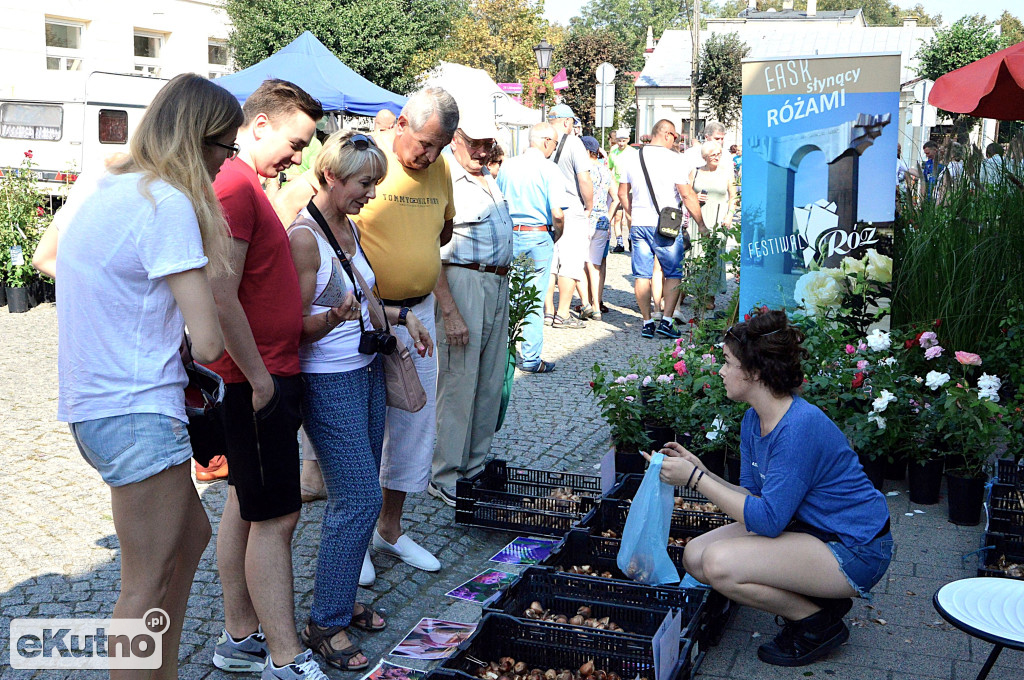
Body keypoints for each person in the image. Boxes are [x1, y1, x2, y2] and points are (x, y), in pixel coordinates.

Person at [49, 73, 238, 680]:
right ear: (199, 140)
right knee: (144, 585)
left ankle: (163, 672)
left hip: (100, 406)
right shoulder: (169, 201)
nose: (227, 162)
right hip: (136, 410)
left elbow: (56, 264)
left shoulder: (108, 185)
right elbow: (208, 339)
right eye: (225, 148)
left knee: (189, 541)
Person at [651, 310, 892, 667]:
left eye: (728, 362)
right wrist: (701, 470)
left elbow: (767, 521)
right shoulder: (754, 418)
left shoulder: (798, 428)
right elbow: (755, 500)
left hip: (854, 547)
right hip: (809, 530)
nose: (720, 370)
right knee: (695, 556)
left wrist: (693, 479)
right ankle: (819, 599)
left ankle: (816, 623)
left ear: (755, 372)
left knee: (718, 564)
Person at [288, 130, 433, 671]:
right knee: (357, 501)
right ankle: (325, 621)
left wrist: (402, 316)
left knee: (362, 489)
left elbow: (366, 294)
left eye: (375, 183)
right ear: (331, 176)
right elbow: (289, 326)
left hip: (367, 369)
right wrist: (333, 318)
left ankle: (342, 598)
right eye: (363, 183)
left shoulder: (345, 226)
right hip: (329, 381)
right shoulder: (305, 237)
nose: (370, 194)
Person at [205, 78, 328, 680]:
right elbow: (220, 291)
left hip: (267, 373)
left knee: (248, 508)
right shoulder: (233, 185)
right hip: (261, 379)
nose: (299, 156)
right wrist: (258, 379)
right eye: (295, 141)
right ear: (258, 127)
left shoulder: (246, 185)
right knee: (277, 518)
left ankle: (239, 637)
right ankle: (284, 655)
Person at [353, 87, 458, 574]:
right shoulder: (364, 159)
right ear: (399, 125)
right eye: (423, 143)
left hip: (418, 316)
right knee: (361, 429)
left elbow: (442, 232)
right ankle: (353, 537)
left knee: (414, 427)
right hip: (365, 320)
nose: (429, 155)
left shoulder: (440, 168)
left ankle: (389, 529)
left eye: (440, 146)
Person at [428, 110, 513, 505]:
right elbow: (432, 251)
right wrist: (449, 310)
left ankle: (474, 466)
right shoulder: (446, 178)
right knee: (459, 380)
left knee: (489, 380)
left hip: (496, 280)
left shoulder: (487, 177)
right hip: (464, 280)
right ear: (456, 138)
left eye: (488, 143)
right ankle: (444, 474)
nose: (483, 150)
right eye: (476, 142)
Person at [495, 122, 567, 374]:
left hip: (511, 236)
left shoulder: (508, 166)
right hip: (538, 236)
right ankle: (531, 358)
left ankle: (506, 353)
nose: (554, 149)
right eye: (555, 144)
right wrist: (557, 235)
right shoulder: (550, 169)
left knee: (511, 296)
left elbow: (498, 205)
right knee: (534, 299)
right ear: (547, 141)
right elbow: (557, 213)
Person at [618, 119, 688, 340]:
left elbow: (622, 193)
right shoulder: (675, 159)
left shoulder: (631, 157)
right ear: (667, 134)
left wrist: (631, 213)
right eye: (675, 136)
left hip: (639, 223)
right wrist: (702, 224)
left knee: (642, 275)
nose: (675, 141)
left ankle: (647, 322)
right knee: (673, 274)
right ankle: (666, 322)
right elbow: (686, 194)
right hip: (665, 224)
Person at [544, 104, 593, 329]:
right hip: (571, 209)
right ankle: (563, 314)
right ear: (566, 122)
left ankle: (548, 311)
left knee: (551, 263)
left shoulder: (541, 140)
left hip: (547, 210)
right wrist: (589, 205)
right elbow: (584, 178)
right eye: (573, 122)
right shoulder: (574, 142)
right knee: (570, 263)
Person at [684, 140, 735, 310]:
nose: (716, 157)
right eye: (713, 154)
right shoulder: (695, 172)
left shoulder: (727, 173)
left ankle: (709, 294)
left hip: (718, 219)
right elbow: (686, 194)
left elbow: (733, 197)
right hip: (698, 218)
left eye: (719, 154)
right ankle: (691, 289)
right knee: (694, 254)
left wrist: (730, 215)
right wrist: (695, 197)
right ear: (705, 156)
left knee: (713, 257)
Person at [575, 135, 617, 320]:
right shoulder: (606, 171)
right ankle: (597, 305)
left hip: (585, 218)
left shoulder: (583, 170)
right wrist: (608, 216)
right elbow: (616, 198)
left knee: (580, 263)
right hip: (602, 221)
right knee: (596, 266)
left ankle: (586, 303)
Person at [608, 129, 634, 253]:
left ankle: (631, 239)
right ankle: (619, 242)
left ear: (628, 140)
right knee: (617, 217)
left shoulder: (632, 153)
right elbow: (609, 167)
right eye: (619, 141)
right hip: (617, 187)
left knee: (629, 216)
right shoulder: (613, 151)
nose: (621, 143)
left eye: (623, 141)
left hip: (629, 188)